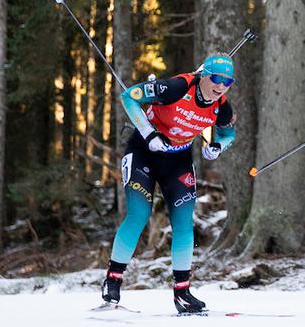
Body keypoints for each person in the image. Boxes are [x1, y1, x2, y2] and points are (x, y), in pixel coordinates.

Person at [100, 54, 237, 313]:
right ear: (203, 76)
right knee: (140, 214)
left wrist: (218, 146)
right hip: (144, 151)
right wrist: (149, 133)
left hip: (178, 159)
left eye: (228, 81)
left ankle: (182, 292)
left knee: (184, 223)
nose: (221, 86)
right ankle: (113, 279)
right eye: (217, 79)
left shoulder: (221, 106)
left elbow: (228, 133)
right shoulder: (177, 87)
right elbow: (129, 96)